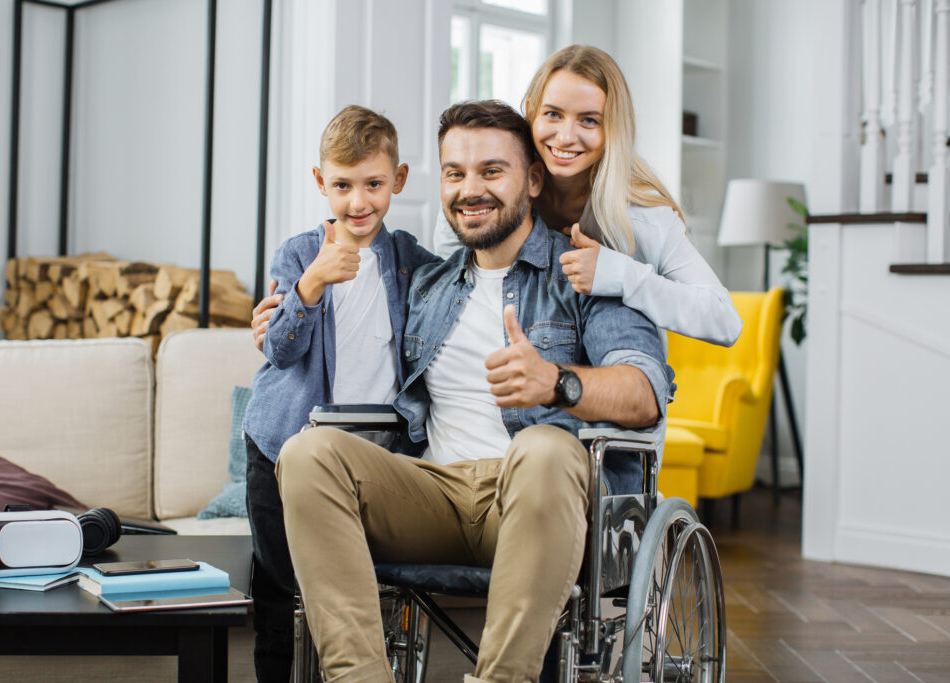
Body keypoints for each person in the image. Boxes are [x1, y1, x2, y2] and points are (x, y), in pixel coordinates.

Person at [275, 100, 672, 683]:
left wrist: (556, 383)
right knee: (307, 453)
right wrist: (287, 308)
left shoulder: (587, 273)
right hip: (434, 492)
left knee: (544, 445)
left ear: (533, 179)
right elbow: (353, 323)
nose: (470, 189)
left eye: (492, 171)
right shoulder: (428, 281)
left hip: (537, 494)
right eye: (456, 174)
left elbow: (645, 393)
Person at [241, 105, 436, 682]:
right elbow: (277, 350)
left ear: (397, 181)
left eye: (374, 184)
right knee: (278, 588)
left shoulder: (410, 263)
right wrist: (311, 284)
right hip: (280, 446)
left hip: (371, 452)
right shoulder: (299, 254)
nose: (358, 202)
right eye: (343, 185)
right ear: (320, 182)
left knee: (356, 587)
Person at [431, 44, 742, 348]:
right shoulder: (485, 200)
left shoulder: (643, 217)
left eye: (589, 120)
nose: (566, 136)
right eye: (553, 114)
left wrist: (619, 274)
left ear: (613, 129)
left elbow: (724, 321)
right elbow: (450, 293)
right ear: (531, 112)